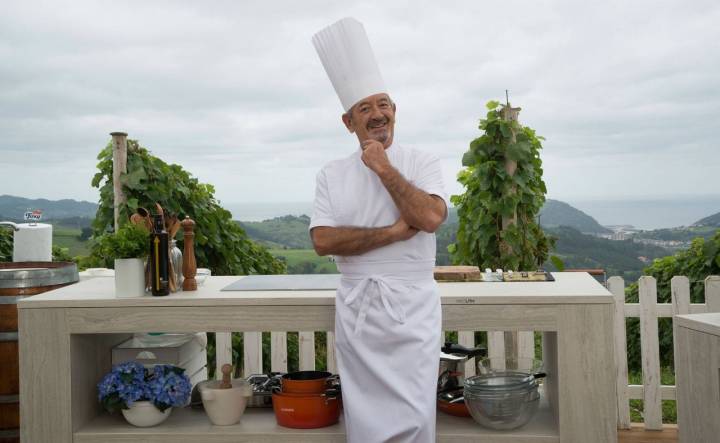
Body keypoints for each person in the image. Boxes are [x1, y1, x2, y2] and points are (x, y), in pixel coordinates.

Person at [310, 17, 448, 443]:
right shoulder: (331, 173)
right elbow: (323, 241)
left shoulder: (422, 162)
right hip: (358, 308)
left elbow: (429, 218)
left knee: (416, 415)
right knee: (365, 421)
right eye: (364, 108)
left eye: (383, 104)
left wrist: (384, 168)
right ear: (348, 122)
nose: (377, 114)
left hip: (413, 311)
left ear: (395, 110)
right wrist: (390, 233)